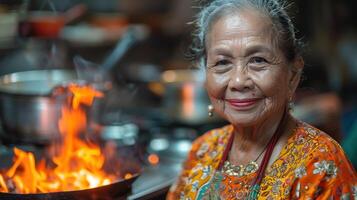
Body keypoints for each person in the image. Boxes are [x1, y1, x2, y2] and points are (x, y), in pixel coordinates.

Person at [166, 0, 357, 199]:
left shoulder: (320, 166)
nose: (238, 81)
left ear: (292, 74)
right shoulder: (202, 151)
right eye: (222, 62)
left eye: (258, 60)